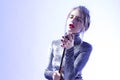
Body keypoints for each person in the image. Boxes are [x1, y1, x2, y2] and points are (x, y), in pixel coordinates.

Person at [44, 5, 92, 80]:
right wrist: (54, 75)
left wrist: (70, 49)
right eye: (71, 17)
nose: (72, 21)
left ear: (84, 27)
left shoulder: (86, 47)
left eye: (78, 20)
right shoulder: (55, 44)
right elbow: (46, 72)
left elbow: (69, 77)